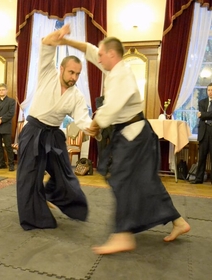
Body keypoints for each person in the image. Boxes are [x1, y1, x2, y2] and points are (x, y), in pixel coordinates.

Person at [59, 33, 190, 254]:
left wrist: (94, 125)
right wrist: (68, 41)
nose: (98, 59)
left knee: (120, 178)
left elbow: (112, 108)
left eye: (102, 55)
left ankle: (122, 235)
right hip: (132, 134)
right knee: (145, 181)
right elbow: (92, 50)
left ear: (112, 54)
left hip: (135, 135)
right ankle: (178, 221)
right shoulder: (112, 69)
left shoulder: (122, 75)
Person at [16, 24, 99, 230]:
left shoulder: (76, 95)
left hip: (54, 135)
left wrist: (95, 126)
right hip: (33, 131)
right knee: (28, 177)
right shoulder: (47, 74)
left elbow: (83, 120)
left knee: (66, 177)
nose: (74, 77)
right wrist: (57, 35)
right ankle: (35, 218)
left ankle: (53, 195)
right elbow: (46, 46)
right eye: (71, 72)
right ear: (61, 69)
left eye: (78, 74)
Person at [0, 83, 16, 171]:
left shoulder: (11, 101)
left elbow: (11, 113)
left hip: (5, 126)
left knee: (8, 146)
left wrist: (1, 119)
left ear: (6, 90)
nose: (1, 91)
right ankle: (1, 163)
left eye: (3, 90)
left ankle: (11, 164)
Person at [191, 82, 212, 184]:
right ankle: (198, 179)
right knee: (202, 157)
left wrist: (204, 115)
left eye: (211, 90)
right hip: (204, 132)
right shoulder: (202, 102)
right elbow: (200, 115)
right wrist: (205, 115)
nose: (210, 92)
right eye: (208, 90)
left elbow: (203, 115)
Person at [95, 95, 113, 165]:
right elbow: (100, 108)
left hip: (113, 127)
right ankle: (102, 167)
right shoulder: (99, 99)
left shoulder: (115, 99)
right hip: (102, 128)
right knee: (101, 149)